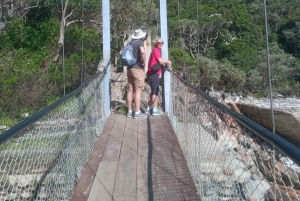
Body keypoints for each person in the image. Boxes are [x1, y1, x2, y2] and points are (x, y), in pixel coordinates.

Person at [146, 37, 171, 115]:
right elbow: (160, 61)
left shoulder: (154, 50)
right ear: (156, 43)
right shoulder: (156, 50)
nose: (160, 44)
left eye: (162, 43)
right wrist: (168, 61)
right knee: (155, 91)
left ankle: (149, 108)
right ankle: (155, 109)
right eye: (159, 43)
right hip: (154, 74)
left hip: (150, 73)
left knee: (153, 91)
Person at [126, 29, 148, 119]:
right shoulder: (140, 42)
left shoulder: (130, 43)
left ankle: (130, 111)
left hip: (129, 68)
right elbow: (142, 52)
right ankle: (138, 112)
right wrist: (144, 62)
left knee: (130, 90)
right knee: (139, 90)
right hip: (137, 68)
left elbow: (121, 52)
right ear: (141, 36)